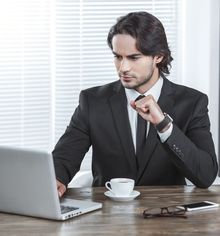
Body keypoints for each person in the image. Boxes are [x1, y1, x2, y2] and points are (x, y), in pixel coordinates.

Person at [53, 11, 218, 197]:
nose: (123, 67)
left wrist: (163, 125)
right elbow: (64, 157)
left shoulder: (192, 102)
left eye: (134, 57)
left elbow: (206, 175)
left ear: (159, 57)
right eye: (118, 57)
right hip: (107, 216)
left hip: (166, 214)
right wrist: (56, 178)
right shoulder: (92, 101)